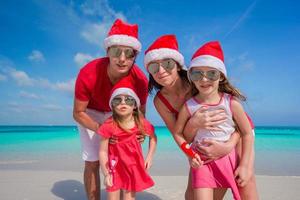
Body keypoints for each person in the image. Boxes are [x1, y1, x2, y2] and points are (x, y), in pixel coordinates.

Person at [145, 35, 258, 199]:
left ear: (177, 65)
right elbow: (181, 135)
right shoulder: (160, 101)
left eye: (167, 63)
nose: (161, 71)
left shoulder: (198, 79)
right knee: (192, 196)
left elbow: (240, 124)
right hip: (202, 140)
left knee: (244, 182)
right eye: (154, 67)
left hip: (236, 132)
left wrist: (228, 145)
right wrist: (194, 125)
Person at [73, 18, 148, 200]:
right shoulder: (88, 73)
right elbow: (78, 113)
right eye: (116, 51)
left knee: (125, 161)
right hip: (90, 112)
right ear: (108, 51)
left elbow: (140, 112)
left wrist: (140, 128)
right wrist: (103, 130)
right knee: (92, 161)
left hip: (121, 112)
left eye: (129, 53)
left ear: (135, 56)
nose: (122, 59)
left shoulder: (140, 80)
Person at [173, 41, 254, 200]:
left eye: (211, 73)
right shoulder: (188, 106)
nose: (204, 79)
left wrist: (244, 165)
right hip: (201, 162)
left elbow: (247, 134)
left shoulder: (231, 103)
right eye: (197, 74)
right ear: (191, 77)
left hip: (226, 159)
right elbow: (177, 133)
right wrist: (189, 154)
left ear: (221, 76)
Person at [98, 79, 157, 200]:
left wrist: (149, 157)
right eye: (117, 100)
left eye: (129, 100)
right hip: (114, 167)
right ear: (112, 105)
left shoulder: (141, 123)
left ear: (135, 105)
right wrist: (106, 173)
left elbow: (153, 138)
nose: (123, 103)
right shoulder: (109, 125)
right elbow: (102, 151)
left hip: (133, 166)